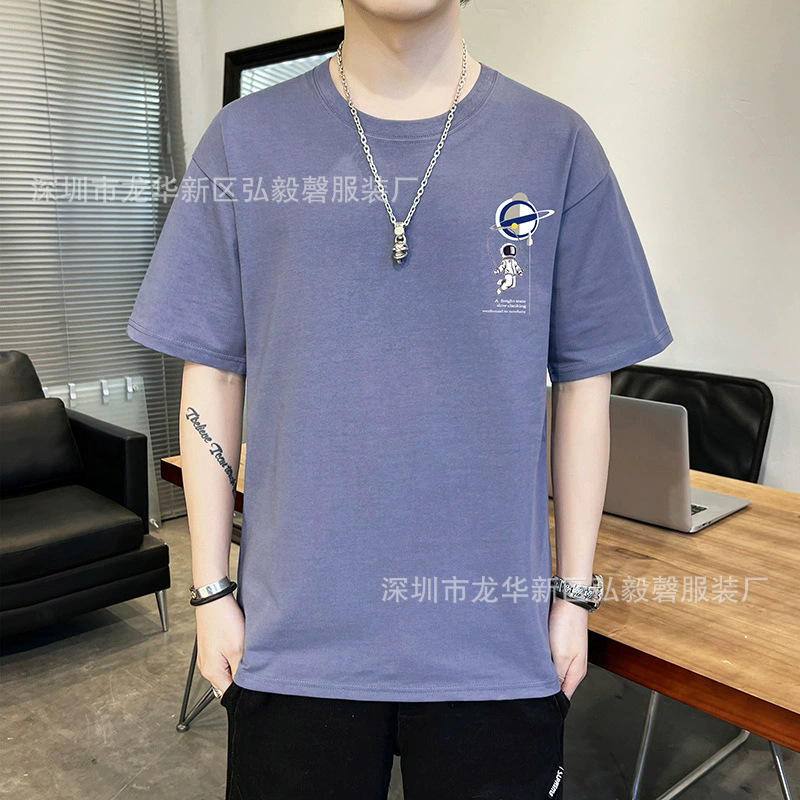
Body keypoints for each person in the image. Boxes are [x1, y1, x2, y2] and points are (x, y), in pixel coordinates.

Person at [126, 0, 674, 797]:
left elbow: (585, 380)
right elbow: (212, 372)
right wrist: (211, 590)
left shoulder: (555, 145)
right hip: (293, 641)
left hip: (495, 643)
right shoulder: (244, 144)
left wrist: (573, 596)